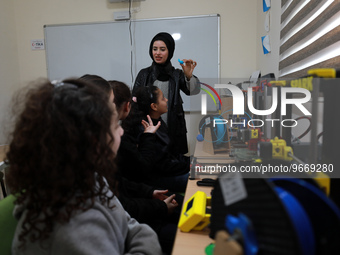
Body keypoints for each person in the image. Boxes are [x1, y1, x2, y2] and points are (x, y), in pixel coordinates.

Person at [5, 78, 162, 255]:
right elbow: (139, 233)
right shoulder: (71, 229)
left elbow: (129, 225)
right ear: (92, 140)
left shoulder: (88, 177)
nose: (121, 131)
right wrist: (147, 241)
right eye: (114, 125)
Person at [110, 80, 183, 254]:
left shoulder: (152, 124)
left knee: (185, 205)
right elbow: (147, 168)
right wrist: (160, 207)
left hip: (143, 197)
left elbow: (121, 183)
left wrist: (149, 192)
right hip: (139, 213)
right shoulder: (134, 133)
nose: (119, 132)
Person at [133, 32, 200, 155]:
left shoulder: (177, 74)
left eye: (162, 49)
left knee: (174, 164)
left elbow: (193, 90)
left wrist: (188, 76)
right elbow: (135, 103)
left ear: (170, 51)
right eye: (155, 49)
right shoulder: (144, 74)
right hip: (149, 130)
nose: (157, 53)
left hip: (174, 130)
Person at [124, 85, 189, 193]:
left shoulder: (157, 121)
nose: (166, 100)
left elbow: (172, 154)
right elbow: (163, 166)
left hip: (170, 170)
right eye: (163, 98)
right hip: (159, 179)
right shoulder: (144, 129)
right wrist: (188, 166)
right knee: (199, 178)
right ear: (154, 106)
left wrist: (191, 161)